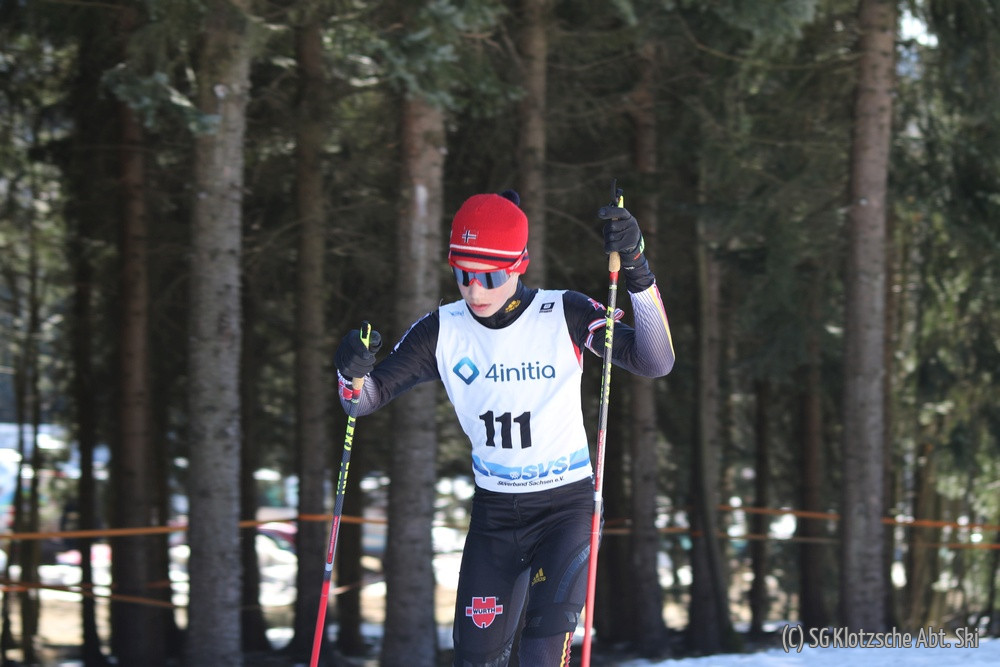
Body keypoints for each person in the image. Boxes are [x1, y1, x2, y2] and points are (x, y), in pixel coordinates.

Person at [334, 189, 674, 666]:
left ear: (519, 265)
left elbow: (655, 360)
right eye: (463, 274)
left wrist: (636, 267)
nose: (475, 291)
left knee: (540, 656)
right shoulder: (442, 329)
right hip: (496, 517)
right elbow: (364, 400)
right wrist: (350, 371)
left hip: (565, 509)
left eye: (490, 276)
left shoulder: (565, 313)